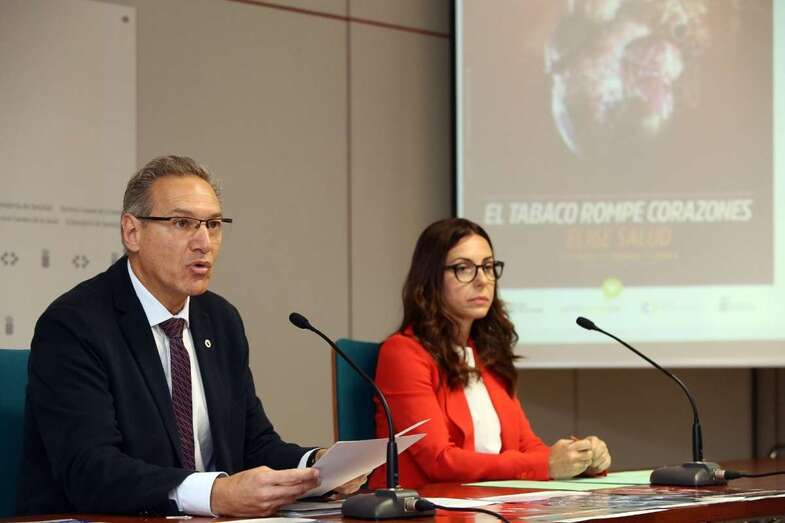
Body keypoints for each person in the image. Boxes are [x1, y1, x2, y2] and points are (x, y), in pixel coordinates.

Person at [18, 156, 363, 517]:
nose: (204, 243)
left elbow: (252, 443)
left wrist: (319, 468)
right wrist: (214, 493)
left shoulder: (220, 319)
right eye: (182, 223)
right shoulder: (75, 324)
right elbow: (91, 470)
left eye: (213, 225)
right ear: (131, 232)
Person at [369, 218, 611, 489]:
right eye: (464, 269)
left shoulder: (487, 356)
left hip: (491, 505)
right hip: (428, 510)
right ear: (431, 279)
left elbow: (526, 446)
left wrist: (580, 458)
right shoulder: (403, 353)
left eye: (487, 267)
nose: (482, 280)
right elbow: (439, 460)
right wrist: (547, 465)